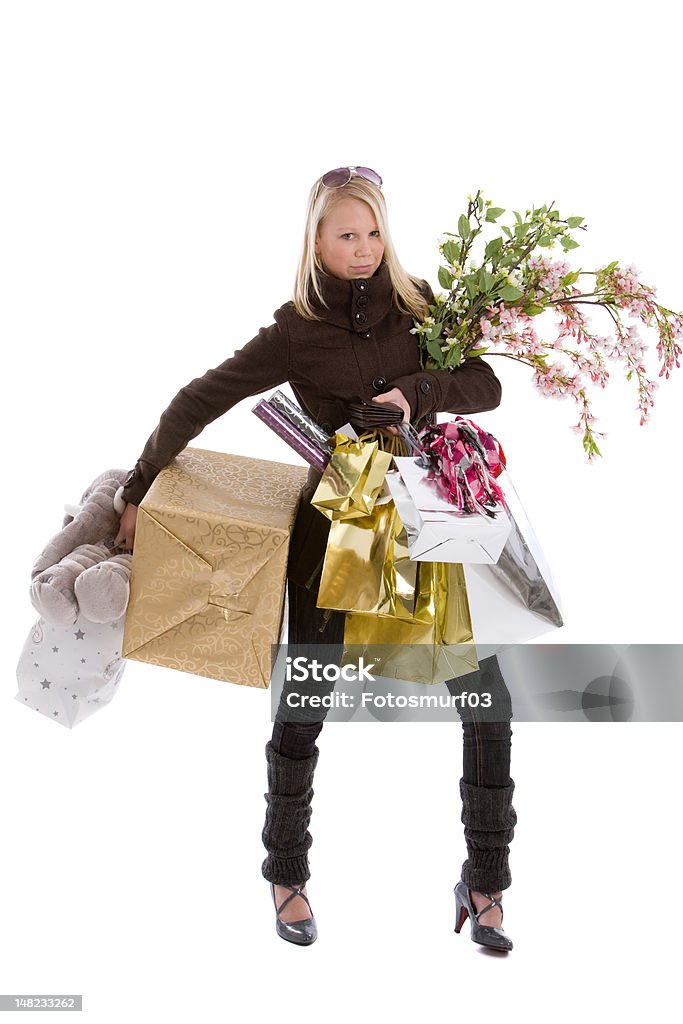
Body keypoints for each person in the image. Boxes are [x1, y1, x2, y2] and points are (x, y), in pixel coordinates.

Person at [114, 165, 516, 952]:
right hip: (332, 534)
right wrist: (136, 488)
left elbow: (485, 384)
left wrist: (416, 394)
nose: (363, 249)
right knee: (307, 700)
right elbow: (200, 396)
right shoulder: (295, 331)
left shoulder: (420, 304)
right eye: (346, 234)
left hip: (428, 525)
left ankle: (486, 883)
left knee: (485, 697)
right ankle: (286, 872)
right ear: (317, 241)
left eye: (372, 233)